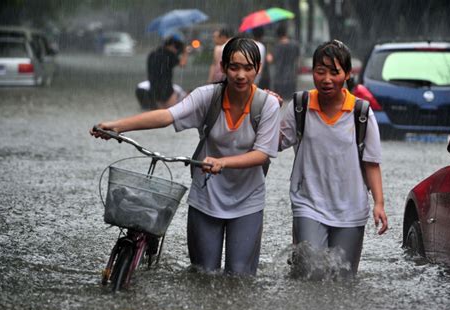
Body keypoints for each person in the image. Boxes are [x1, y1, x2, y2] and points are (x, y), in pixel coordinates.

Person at [91, 37, 280, 276]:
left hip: (248, 200)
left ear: (258, 69)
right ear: (223, 67)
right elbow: (167, 116)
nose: (241, 75)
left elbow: (262, 155)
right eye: (234, 67)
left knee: (240, 277)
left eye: (248, 68)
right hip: (206, 195)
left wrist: (223, 162)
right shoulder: (207, 96)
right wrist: (117, 127)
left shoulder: (268, 105)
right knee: (203, 273)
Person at [279, 40, 388, 277]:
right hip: (308, 203)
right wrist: (266, 107)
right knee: (310, 275)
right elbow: (274, 143)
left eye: (334, 72)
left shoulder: (361, 112)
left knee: (343, 279)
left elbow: (371, 162)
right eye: (321, 71)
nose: (327, 79)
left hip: (351, 207)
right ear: (312, 72)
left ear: (348, 74)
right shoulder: (300, 106)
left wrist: (379, 203)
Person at [147, 36, 189, 109]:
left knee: (159, 114)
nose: (176, 51)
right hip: (166, 89)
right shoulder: (169, 55)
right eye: (177, 48)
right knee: (173, 113)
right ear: (172, 46)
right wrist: (185, 52)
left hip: (153, 89)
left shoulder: (152, 54)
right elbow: (183, 64)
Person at [267, 23, 300, 101]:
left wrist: (268, 52)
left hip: (279, 80)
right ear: (286, 33)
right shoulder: (294, 45)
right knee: (289, 103)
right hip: (291, 79)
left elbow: (270, 60)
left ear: (277, 34)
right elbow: (297, 60)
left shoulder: (276, 46)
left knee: (279, 102)